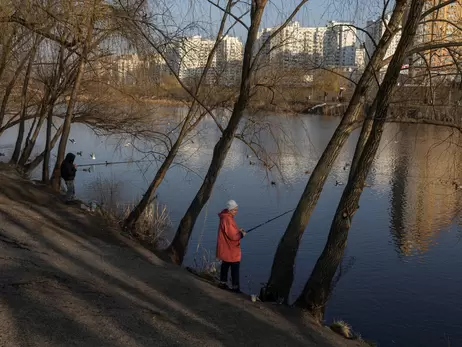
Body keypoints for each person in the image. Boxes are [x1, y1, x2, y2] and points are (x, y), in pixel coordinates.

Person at [216, 200, 246, 292]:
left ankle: (223, 283)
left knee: (225, 264)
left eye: (237, 210)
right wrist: (241, 234)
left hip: (226, 247)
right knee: (235, 267)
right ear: (230, 210)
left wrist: (238, 230)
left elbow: (230, 231)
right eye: (235, 210)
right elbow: (233, 236)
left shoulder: (225, 216)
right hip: (231, 248)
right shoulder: (228, 219)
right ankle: (235, 288)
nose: (236, 212)